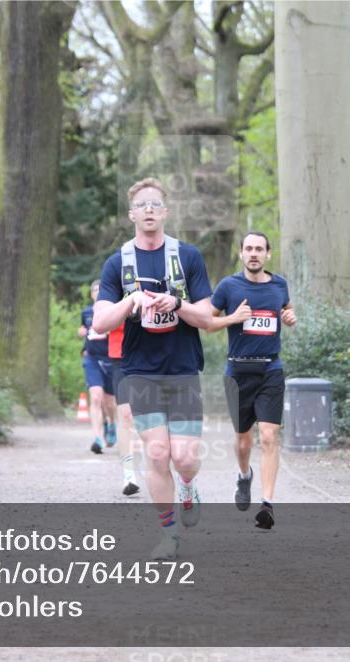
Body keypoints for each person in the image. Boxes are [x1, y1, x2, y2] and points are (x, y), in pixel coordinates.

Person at [93, 177, 213, 560]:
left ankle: (189, 487)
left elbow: (208, 317)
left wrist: (176, 304)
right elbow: (100, 323)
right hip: (140, 372)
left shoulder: (188, 257)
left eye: (154, 204)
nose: (148, 210)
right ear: (131, 214)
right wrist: (131, 303)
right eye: (141, 205)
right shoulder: (118, 263)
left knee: (185, 458)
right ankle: (169, 535)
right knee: (158, 454)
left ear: (165, 212)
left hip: (182, 370)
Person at [208, 232, 296, 529]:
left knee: (270, 436)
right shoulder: (228, 286)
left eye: (259, 249)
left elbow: (285, 307)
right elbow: (208, 322)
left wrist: (289, 315)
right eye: (249, 249)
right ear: (241, 253)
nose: (254, 253)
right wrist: (233, 318)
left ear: (268, 253)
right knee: (243, 441)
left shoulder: (279, 284)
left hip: (271, 370)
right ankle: (244, 475)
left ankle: (268, 504)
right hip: (237, 373)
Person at [79, 280, 117, 454]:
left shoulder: (114, 310)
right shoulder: (86, 312)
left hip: (110, 358)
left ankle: (111, 424)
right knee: (95, 397)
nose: (97, 292)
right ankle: (98, 438)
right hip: (92, 358)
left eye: (100, 289)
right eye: (94, 290)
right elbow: (84, 329)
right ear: (91, 294)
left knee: (110, 402)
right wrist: (81, 332)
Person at [107, 321, 140, 496]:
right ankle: (129, 475)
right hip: (121, 355)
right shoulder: (111, 292)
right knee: (126, 415)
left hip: (154, 354)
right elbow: (101, 323)